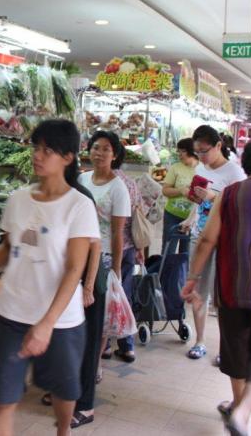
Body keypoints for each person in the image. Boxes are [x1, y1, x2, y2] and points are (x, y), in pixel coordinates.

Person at [0, 119, 100, 436]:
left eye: (48, 150)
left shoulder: (79, 207)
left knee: (64, 394)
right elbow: (9, 249)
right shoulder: (18, 199)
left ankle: (63, 431)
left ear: (68, 157)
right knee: (2, 402)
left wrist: (47, 323)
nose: (38, 155)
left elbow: (73, 269)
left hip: (61, 322)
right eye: (36, 148)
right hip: (12, 314)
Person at [181, 140, 251, 436]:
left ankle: (236, 406)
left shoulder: (230, 194)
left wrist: (193, 277)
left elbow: (207, 239)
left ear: (245, 166)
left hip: (232, 287)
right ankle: (243, 413)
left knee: (236, 350)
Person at [74, 130, 131, 428]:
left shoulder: (118, 188)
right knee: (75, 326)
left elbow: (119, 233)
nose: (99, 153)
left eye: (106, 149)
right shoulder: (82, 180)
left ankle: (86, 393)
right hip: (77, 259)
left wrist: (117, 268)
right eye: (96, 148)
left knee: (92, 329)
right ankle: (72, 386)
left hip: (103, 260)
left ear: (115, 154)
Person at [181, 125, 246, 361]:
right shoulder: (201, 167)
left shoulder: (235, 173)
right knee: (198, 289)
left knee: (223, 295)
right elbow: (198, 205)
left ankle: (224, 349)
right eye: (197, 152)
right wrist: (190, 218)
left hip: (225, 239)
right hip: (199, 235)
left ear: (219, 146)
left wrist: (214, 197)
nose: (200, 156)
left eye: (204, 151)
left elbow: (240, 207)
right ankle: (199, 341)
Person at [110, 144, 144, 364]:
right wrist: (140, 248)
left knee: (103, 296)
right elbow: (138, 219)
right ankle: (127, 346)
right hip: (128, 247)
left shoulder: (95, 183)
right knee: (125, 295)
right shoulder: (131, 184)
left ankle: (103, 345)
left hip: (105, 250)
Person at [161, 138, 199, 251]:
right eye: (179, 151)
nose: (180, 154)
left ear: (191, 151)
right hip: (172, 215)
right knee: (168, 250)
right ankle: (166, 269)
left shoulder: (202, 169)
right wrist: (180, 190)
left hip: (192, 218)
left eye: (183, 151)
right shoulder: (175, 168)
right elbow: (165, 190)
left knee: (186, 253)